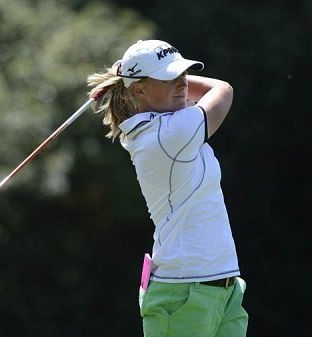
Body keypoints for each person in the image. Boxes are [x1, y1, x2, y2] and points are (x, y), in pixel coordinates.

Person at [87, 39, 249, 337]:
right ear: (138, 90)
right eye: (168, 78)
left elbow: (195, 93)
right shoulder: (169, 134)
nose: (181, 83)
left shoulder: (165, 123)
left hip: (220, 285)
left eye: (183, 74)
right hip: (183, 293)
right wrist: (125, 75)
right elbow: (222, 90)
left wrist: (133, 75)